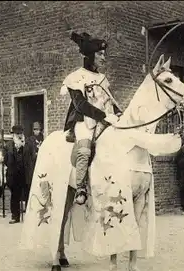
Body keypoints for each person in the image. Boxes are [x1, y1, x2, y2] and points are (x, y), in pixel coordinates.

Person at [61, 31, 122, 205]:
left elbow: (110, 99)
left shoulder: (102, 78)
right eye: (100, 54)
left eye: (104, 54)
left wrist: (118, 113)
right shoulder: (75, 78)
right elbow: (80, 105)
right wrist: (102, 116)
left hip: (105, 119)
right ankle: (80, 187)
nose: (104, 58)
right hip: (85, 121)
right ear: (90, 55)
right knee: (85, 147)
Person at [4, 125, 29, 224]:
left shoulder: (27, 144)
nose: (19, 136)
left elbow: (31, 159)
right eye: (17, 134)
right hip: (13, 175)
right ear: (13, 134)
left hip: (25, 173)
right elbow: (6, 160)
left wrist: (22, 148)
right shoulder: (8, 146)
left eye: (20, 134)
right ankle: (15, 216)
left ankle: (29, 216)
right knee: (15, 196)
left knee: (27, 195)